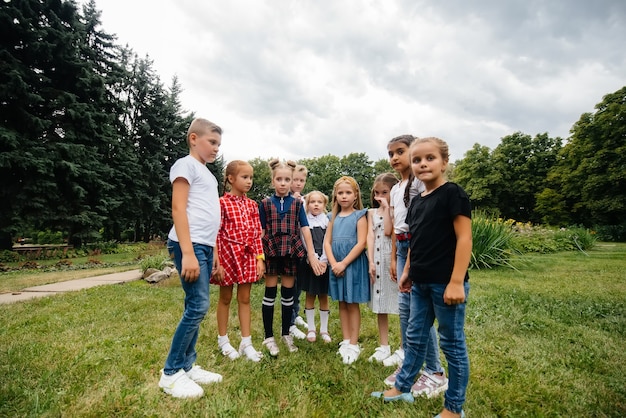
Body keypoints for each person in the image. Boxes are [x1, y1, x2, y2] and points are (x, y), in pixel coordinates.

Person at [371, 137, 472, 418]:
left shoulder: (453, 194)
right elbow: (415, 242)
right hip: (420, 281)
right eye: (417, 160)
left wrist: (455, 281)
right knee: (414, 337)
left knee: (451, 343)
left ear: (444, 162)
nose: (422, 164)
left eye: (430, 158)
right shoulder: (416, 202)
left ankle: (454, 407)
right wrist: (406, 271)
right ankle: (403, 387)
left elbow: (464, 239)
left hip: (445, 282)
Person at [158, 118, 224, 399]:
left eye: (219, 145)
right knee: (198, 306)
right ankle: (171, 373)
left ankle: (187, 365)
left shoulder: (208, 175)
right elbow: (178, 208)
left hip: (205, 245)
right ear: (194, 138)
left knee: (195, 305)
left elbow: (212, 218)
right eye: (212, 142)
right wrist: (187, 252)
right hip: (189, 244)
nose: (216, 149)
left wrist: (215, 254)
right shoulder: (185, 165)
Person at [383, 134, 449, 399]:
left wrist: (409, 258)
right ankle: (411, 366)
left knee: (419, 317)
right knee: (406, 313)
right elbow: (395, 228)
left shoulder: (419, 185)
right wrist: (393, 258)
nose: (395, 157)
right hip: (401, 247)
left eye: (400, 151)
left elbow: (420, 225)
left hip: (416, 249)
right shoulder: (398, 187)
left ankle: (434, 371)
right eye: (391, 153)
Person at [259, 159, 324, 356]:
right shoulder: (264, 203)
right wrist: (259, 258)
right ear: (273, 181)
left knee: (288, 295)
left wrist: (311, 254)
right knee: (270, 294)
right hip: (270, 250)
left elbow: (305, 228)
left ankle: (286, 333)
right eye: (279, 179)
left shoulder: (297, 203)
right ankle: (268, 336)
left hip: (290, 250)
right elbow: (260, 231)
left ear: (291, 181)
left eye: (287, 179)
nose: (283, 183)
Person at [211, 160, 265, 362]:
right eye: (245, 177)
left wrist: (260, 258)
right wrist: (218, 261)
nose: (249, 181)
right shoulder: (221, 203)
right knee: (225, 297)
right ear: (231, 179)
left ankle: (246, 342)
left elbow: (256, 234)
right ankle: (223, 340)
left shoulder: (252, 205)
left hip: (248, 255)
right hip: (227, 255)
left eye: (251, 177)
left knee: (245, 298)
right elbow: (215, 232)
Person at [324, 176, 370, 365]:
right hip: (336, 265)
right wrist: (334, 263)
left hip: (352, 264)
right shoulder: (331, 217)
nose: (344, 196)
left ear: (355, 195)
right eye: (340, 193)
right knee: (342, 302)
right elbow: (327, 242)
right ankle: (345, 339)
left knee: (352, 303)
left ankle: (354, 343)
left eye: (348, 192)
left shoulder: (359, 216)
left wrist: (344, 263)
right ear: (335, 195)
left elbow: (362, 243)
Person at [367, 173, 399, 363]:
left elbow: (388, 231)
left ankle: (404, 348)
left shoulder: (396, 211)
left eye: (384, 192)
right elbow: (370, 237)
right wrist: (370, 261)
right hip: (376, 260)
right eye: (377, 193)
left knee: (399, 303)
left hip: (391, 258)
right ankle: (383, 345)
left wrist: (387, 208)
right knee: (380, 304)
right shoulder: (371, 212)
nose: (380, 197)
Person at [299, 190, 332, 343]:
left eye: (319, 202)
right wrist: (312, 259)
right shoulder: (305, 221)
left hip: (324, 262)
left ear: (324, 204)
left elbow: (328, 241)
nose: (316, 204)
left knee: (323, 295)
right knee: (310, 294)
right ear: (308, 204)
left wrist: (324, 260)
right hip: (309, 262)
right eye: (312, 202)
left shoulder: (327, 221)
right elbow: (305, 241)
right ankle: (311, 328)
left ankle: (324, 329)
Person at [289, 164, 309, 340]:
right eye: (295, 180)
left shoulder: (304, 199)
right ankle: (290, 319)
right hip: (289, 248)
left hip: (302, 246)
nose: (298, 183)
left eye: (302, 180)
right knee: (291, 283)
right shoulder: (287, 199)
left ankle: (296, 312)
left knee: (300, 283)